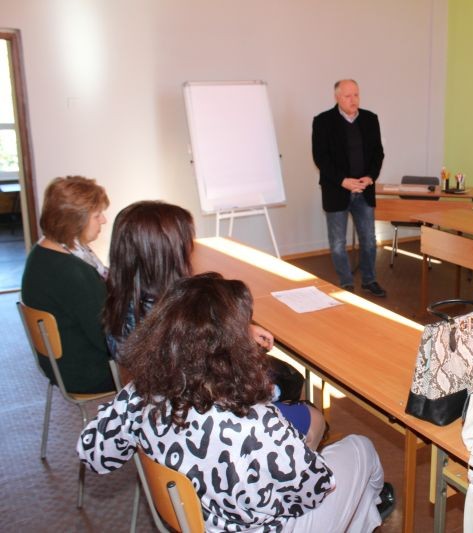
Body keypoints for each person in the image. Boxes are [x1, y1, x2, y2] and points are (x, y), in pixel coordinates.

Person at [79, 273, 393, 532]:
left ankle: (365, 512)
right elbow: (315, 489)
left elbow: (94, 454)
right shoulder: (254, 421)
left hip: (196, 520)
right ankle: (370, 507)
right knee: (360, 447)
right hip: (262, 527)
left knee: (345, 489)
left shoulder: (141, 392)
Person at [103, 201, 325, 448]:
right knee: (305, 403)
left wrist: (242, 328)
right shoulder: (175, 320)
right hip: (206, 427)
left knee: (282, 375)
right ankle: (289, 457)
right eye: (184, 243)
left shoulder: (122, 303)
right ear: (165, 255)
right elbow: (216, 383)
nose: (189, 249)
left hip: (164, 417)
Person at [20, 176, 113, 393]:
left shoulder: (43, 251)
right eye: (97, 215)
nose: (103, 220)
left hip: (60, 363)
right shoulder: (73, 273)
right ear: (75, 220)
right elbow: (108, 340)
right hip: (85, 372)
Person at [312, 79, 386, 297]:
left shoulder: (370, 119)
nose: (353, 100)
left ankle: (369, 280)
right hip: (337, 190)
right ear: (337, 98)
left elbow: (378, 153)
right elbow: (321, 158)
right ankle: (346, 282)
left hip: (364, 190)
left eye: (356, 95)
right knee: (338, 243)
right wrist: (342, 181)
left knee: (369, 241)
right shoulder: (323, 121)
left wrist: (370, 177)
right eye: (348, 96)